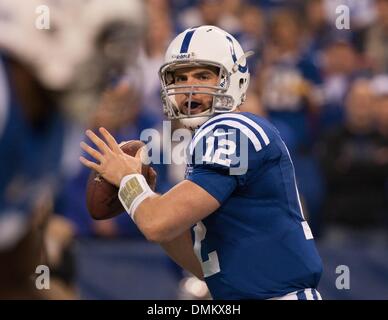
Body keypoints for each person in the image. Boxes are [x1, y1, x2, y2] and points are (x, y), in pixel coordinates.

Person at [80, 25, 323, 300]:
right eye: (180, 78)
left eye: (203, 75)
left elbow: (156, 223)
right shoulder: (208, 138)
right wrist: (144, 195)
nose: (190, 88)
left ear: (233, 79)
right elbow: (206, 269)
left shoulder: (231, 128)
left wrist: (127, 180)